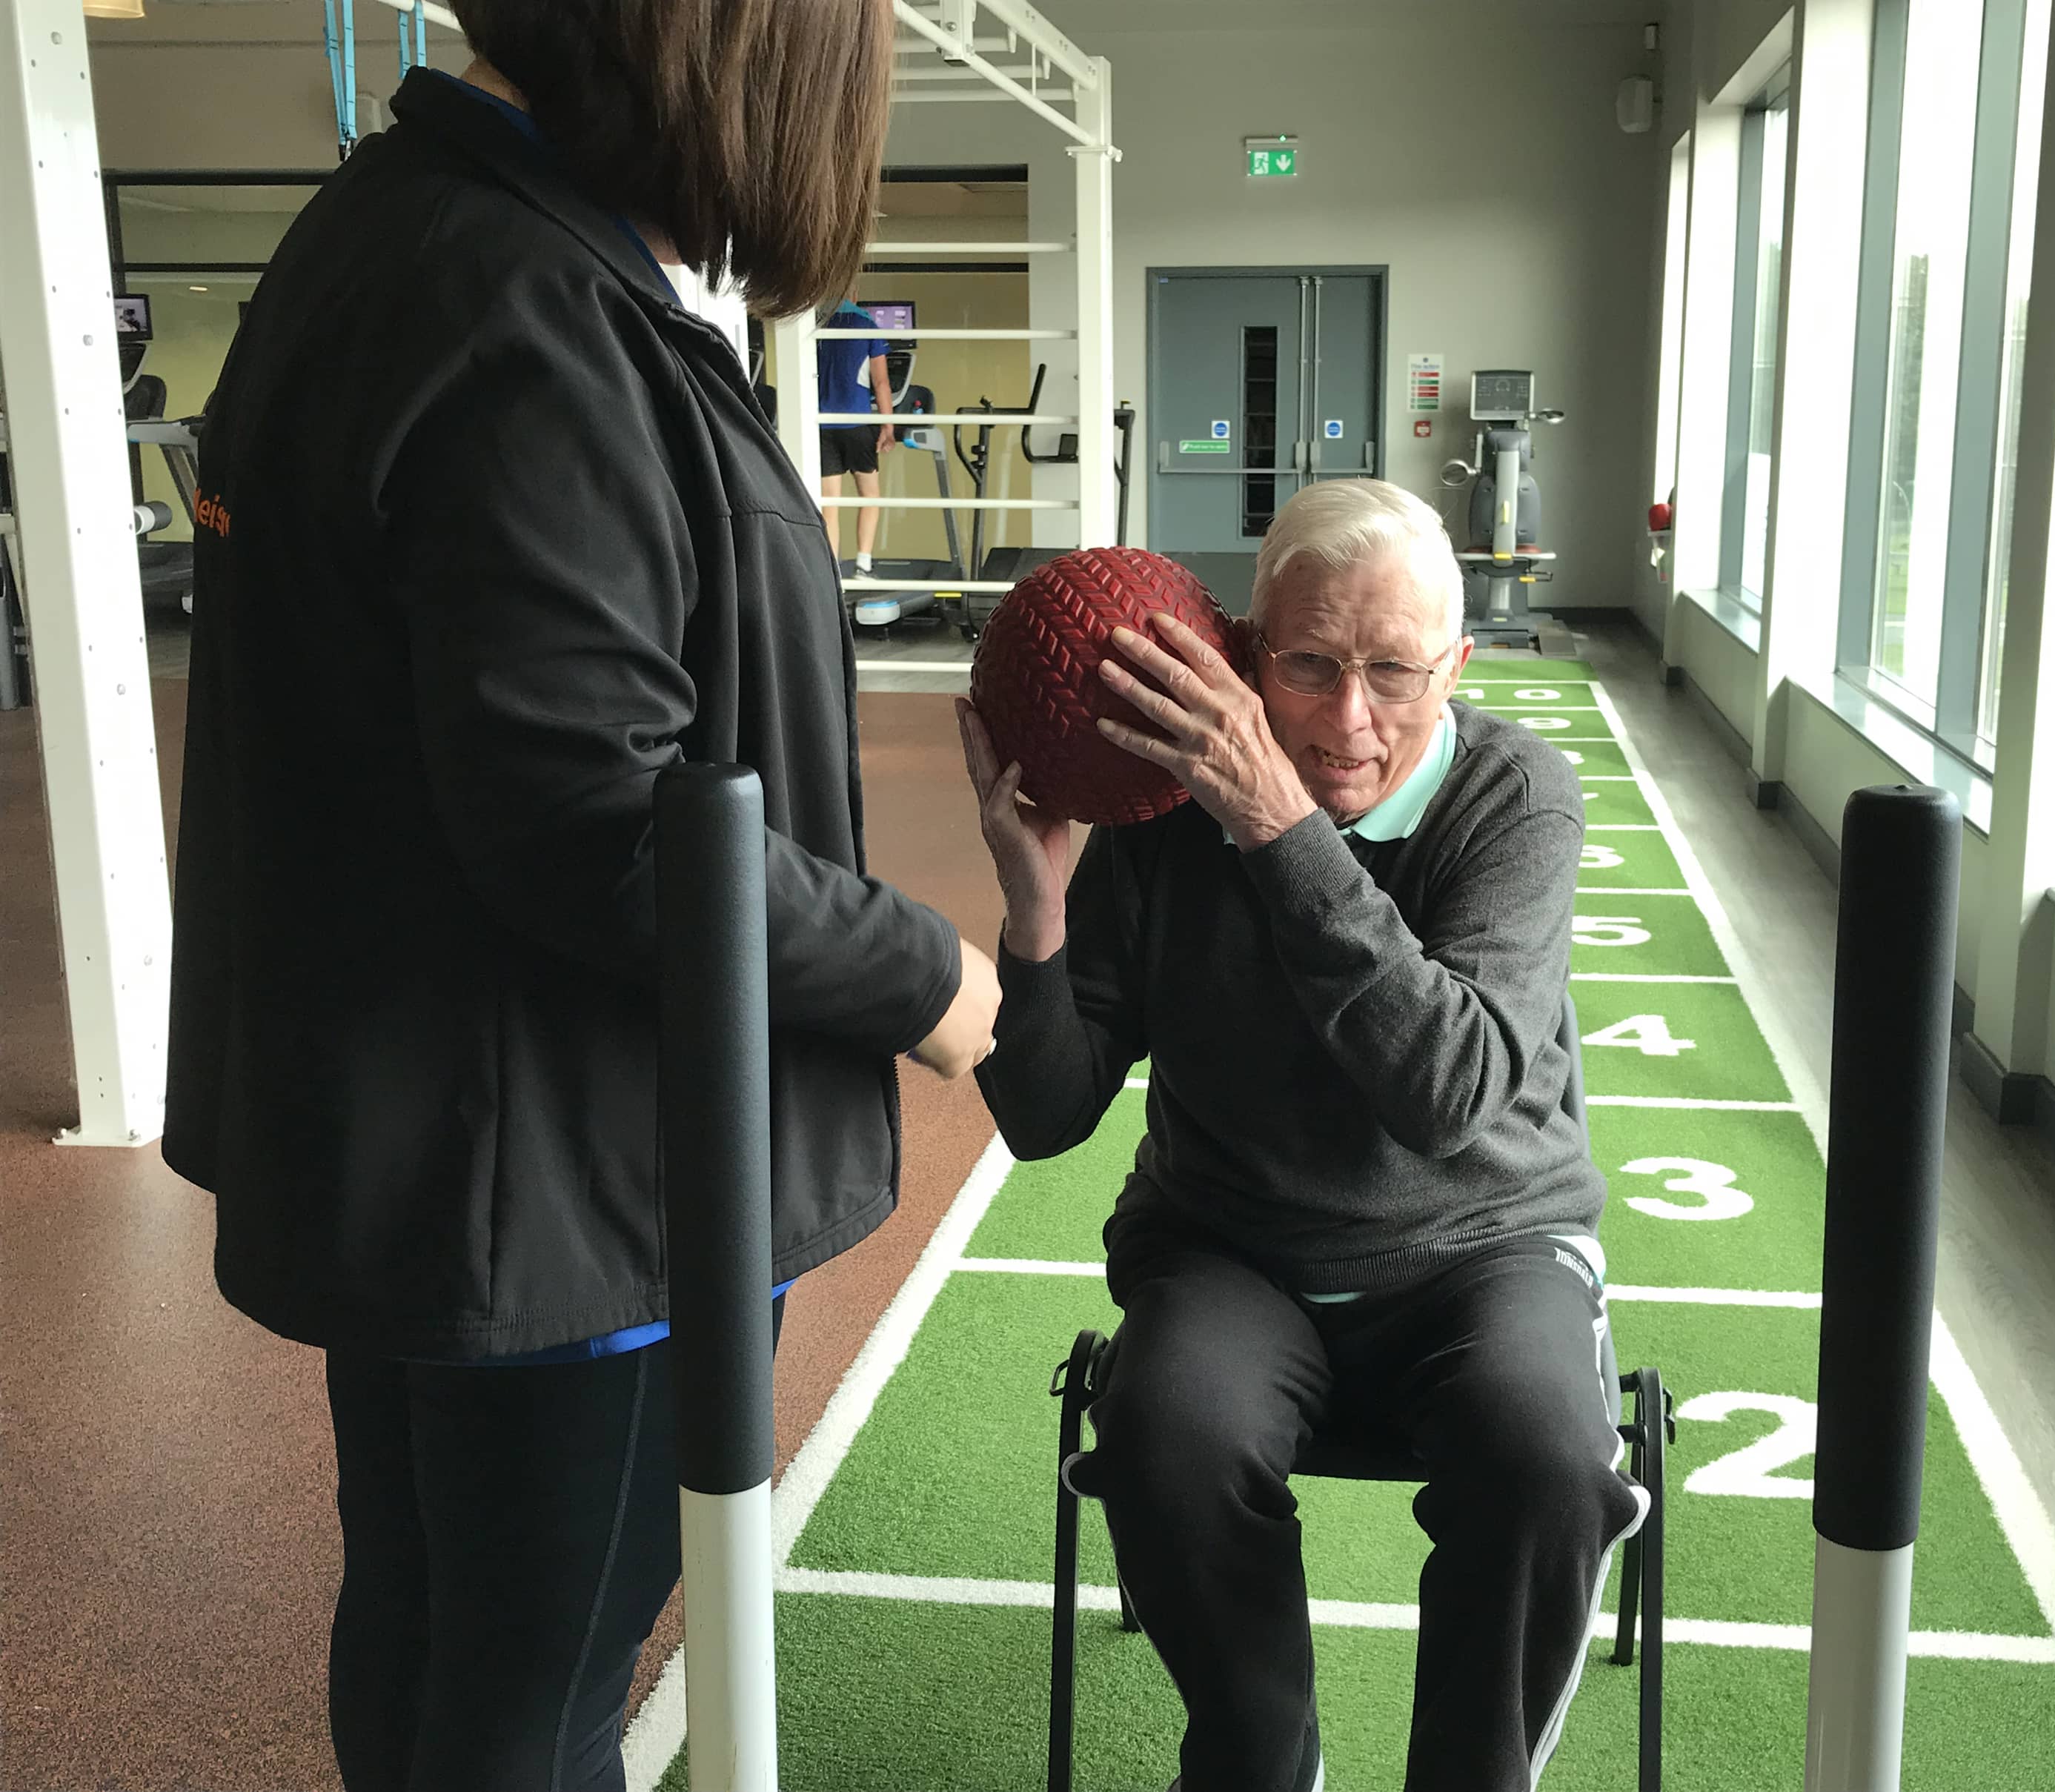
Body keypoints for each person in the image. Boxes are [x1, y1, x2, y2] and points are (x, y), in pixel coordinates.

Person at [162, 3, 999, 1788]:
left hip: (441, 1144)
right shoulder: (526, 306)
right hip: (565, 1178)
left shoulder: (399, 234)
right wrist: (922, 972)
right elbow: (596, 814)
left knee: (431, 1625)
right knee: (536, 1684)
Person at [959, 479, 1648, 1792]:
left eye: (1392, 672)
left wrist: (1275, 826)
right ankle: (1262, 1763)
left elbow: (1445, 1088)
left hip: (1482, 1246)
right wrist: (1035, 908)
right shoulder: (1165, 818)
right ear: (1239, 646)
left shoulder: (1516, 799)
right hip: (1234, 1251)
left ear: (1454, 662)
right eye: (1307, 663)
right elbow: (1045, 1116)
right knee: (1162, 1428)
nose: (1345, 720)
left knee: (1546, 1458)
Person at [817, 292, 897, 573]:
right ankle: (863, 565)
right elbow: (882, 382)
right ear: (853, 294)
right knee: (870, 496)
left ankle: (833, 574)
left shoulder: (816, 325)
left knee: (830, 506)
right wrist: (888, 425)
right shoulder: (867, 326)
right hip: (857, 425)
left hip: (823, 427)